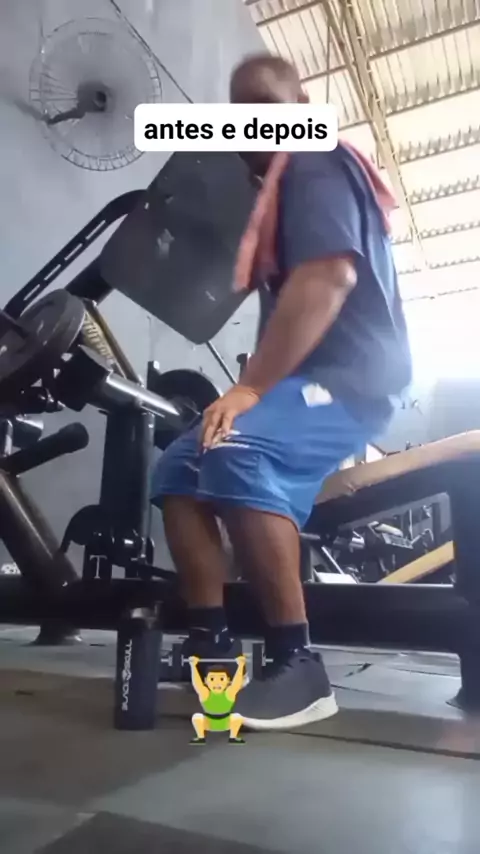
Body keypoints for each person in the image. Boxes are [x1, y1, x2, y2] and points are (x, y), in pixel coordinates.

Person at [151, 53, 412, 731]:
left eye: (267, 107)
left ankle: (301, 666)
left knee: (238, 450)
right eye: (242, 115)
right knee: (178, 468)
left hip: (355, 381)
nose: (254, 124)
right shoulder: (278, 191)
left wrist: (249, 388)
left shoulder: (315, 158)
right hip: (304, 382)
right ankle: (211, 647)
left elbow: (328, 279)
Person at [189, 655, 246, 745]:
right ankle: (200, 737)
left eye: (221, 679)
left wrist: (241, 666)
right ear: (206, 681)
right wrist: (193, 666)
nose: (217, 683)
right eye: (212, 679)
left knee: (237, 717)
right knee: (197, 717)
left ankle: (233, 737)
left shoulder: (228, 694)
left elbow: (236, 684)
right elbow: (197, 685)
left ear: (228, 680)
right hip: (208, 724)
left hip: (226, 724)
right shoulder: (205, 694)